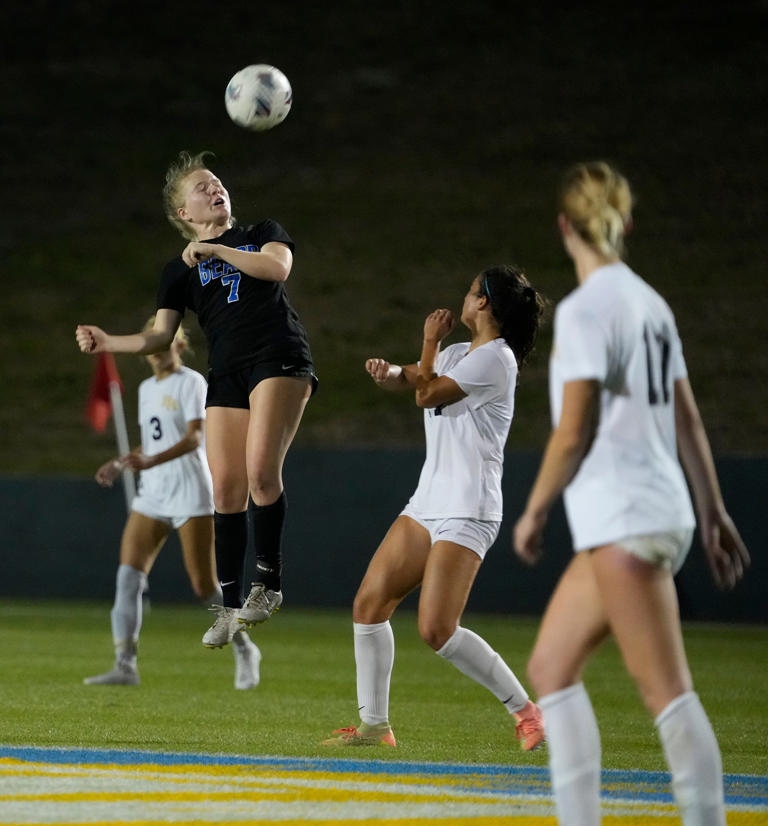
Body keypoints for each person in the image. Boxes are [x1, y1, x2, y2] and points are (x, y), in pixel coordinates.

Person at [513, 162, 750, 825]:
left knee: (668, 694)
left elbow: (573, 429)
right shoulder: (650, 302)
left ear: (565, 226)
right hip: (650, 510)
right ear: (626, 222)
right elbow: (688, 418)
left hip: (625, 516)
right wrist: (712, 512)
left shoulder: (590, 309)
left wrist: (534, 510)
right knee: (552, 666)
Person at [76, 150, 317, 652]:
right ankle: (229, 607)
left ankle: (268, 585)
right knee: (225, 490)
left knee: (259, 474)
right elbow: (161, 337)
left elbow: (277, 269)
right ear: (185, 214)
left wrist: (218, 251)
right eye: (202, 188)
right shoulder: (179, 269)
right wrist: (110, 341)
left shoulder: (259, 233)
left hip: (279, 358)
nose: (215, 189)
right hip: (227, 372)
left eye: (217, 182)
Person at [322, 264, 546, 750]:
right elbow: (413, 380)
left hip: (469, 506)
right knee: (369, 605)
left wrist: (426, 341)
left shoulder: (497, 360)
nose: (464, 298)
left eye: (471, 292)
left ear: (484, 303)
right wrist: (389, 373)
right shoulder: (460, 352)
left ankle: (527, 712)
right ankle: (375, 727)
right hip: (428, 501)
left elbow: (426, 394)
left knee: (436, 629)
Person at [84, 322, 261, 689]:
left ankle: (244, 647)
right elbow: (149, 443)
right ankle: (125, 664)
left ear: (179, 344)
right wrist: (121, 463)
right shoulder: (147, 389)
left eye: (164, 343)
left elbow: (195, 436)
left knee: (203, 586)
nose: (156, 351)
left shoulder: (192, 382)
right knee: (128, 575)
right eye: (152, 345)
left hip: (189, 488)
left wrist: (151, 461)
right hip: (153, 493)